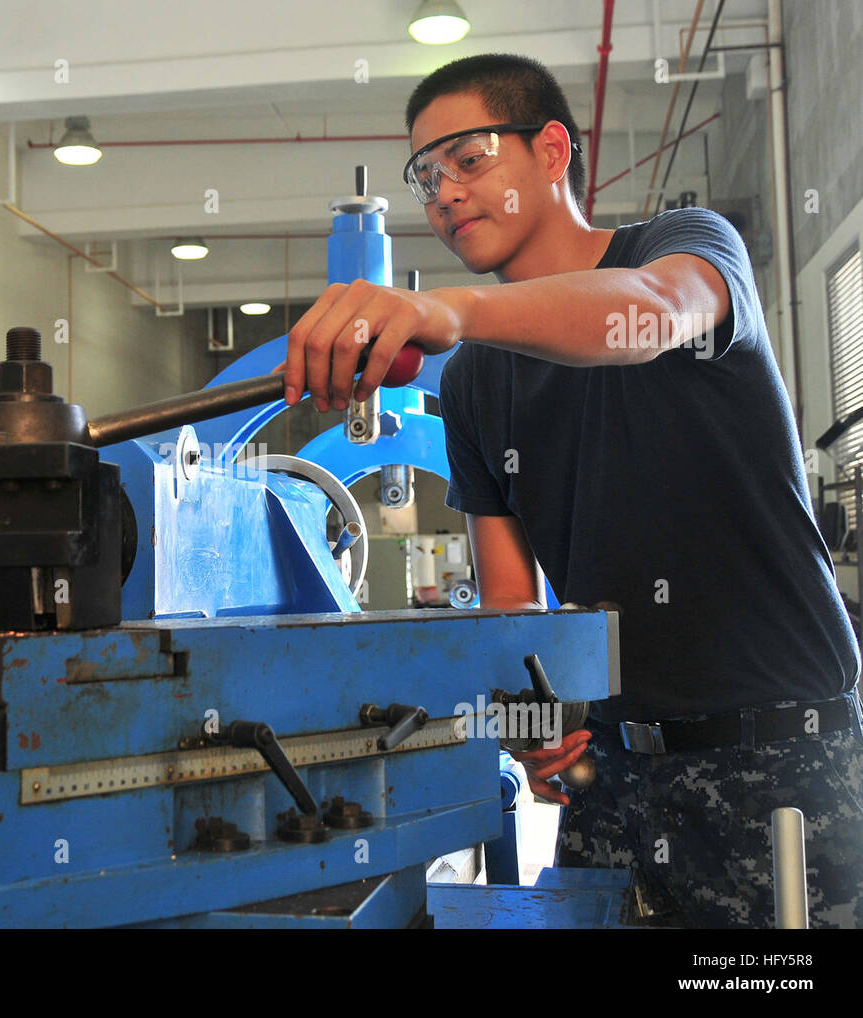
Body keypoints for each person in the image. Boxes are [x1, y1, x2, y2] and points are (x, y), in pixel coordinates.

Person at [282, 53, 863, 929]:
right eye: (426, 175)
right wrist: (532, 716)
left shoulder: (688, 248)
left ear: (551, 149)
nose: (442, 193)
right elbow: (513, 602)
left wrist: (454, 311)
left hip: (784, 766)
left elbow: (653, 313)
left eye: (468, 159)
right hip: (612, 785)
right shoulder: (476, 383)